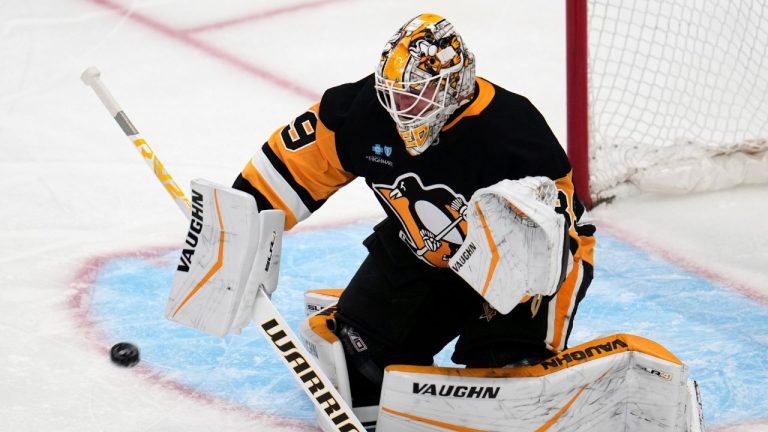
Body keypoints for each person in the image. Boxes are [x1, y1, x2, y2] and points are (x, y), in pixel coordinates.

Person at [232, 13, 595, 407]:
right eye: (394, 92)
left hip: (521, 271)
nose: (400, 106)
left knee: (503, 379)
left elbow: (561, 239)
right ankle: (353, 314)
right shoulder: (362, 113)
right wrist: (238, 229)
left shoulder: (511, 132)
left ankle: (509, 353)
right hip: (428, 252)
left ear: (453, 85)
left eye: (415, 93)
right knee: (364, 365)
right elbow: (295, 165)